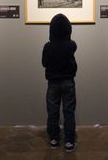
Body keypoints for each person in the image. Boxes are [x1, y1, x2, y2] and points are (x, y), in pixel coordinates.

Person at [42, 13, 77, 152]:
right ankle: (69, 141)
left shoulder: (48, 47)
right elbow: (73, 65)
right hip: (68, 82)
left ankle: (54, 139)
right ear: (69, 29)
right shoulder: (71, 45)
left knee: (52, 111)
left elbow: (44, 63)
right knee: (69, 112)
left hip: (52, 83)